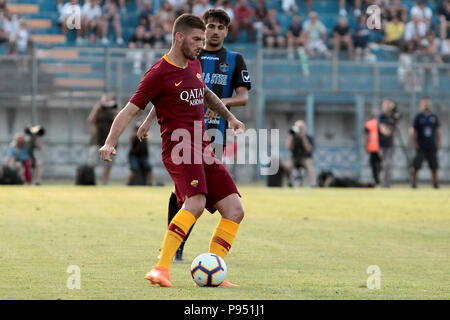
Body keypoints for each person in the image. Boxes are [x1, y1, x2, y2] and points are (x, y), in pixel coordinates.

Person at [98, 13, 246, 287]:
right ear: (179, 38)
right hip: (179, 147)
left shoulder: (194, 63)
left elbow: (203, 93)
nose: (201, 44)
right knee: (197, 202)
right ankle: (161, 268)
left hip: (203, 147)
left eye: (203, 39)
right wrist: (110, 142)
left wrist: (230, 117)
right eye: (196, 39)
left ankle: (214, 269)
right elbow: (129, 109)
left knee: (235, 209)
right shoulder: (157, 73)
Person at [137, 8, 251, 263]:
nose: (214, 32)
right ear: (202, 29)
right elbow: (168, 92)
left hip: (214, 134)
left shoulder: (233, 59)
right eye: (210, 27)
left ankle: (207, 260)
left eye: (221, 27)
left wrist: (224, 111)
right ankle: (174, 251)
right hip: (183, 136)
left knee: (212, 197)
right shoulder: (186, 59)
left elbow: (241, 96)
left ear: (226, 32)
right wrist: (147, 121)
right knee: (188, 194)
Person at [410, 97, 441, 189]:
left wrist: (438, 142)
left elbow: (437, 131)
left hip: (431, 145)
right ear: (421, 104)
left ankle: (435, 183)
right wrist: (414, 143)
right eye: (425, 103)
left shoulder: (434, 117)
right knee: (416, 166)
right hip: (421, 146)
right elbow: (412, 131)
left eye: (428, 103)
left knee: (434, 166)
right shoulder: (418, 117)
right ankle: (413, 183)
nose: (426, 105)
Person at [88, 93, 118, 185]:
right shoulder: (99, 110)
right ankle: (91, 181)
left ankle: (104, 183)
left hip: (110, 141)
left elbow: (119, 121)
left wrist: (114, 107)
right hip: (96, 140)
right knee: (92, 163)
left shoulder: (113, 110)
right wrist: (97, 107)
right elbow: (91, 120)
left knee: (108, 164)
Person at [283, 120, 315, 187]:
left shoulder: (309, 137)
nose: (299, 129)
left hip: (305, 158)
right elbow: (288, 147)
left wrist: (303, 137)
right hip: (294, 158)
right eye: (298, 127)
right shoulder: (293, 137)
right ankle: (289, 182)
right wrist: (291, 136)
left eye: (301, 127)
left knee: (309, 165)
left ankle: (313, 184)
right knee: (286, 166)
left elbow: (309, 149)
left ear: (305, 128)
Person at [378, 98, 397, 188]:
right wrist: (387, 132)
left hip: (390, 144)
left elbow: (397, 119)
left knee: (388, 164)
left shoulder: (393, 116)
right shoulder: (382, 116)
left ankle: (387, 184)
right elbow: (382, 129)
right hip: (382, 144)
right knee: (384, 165)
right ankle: (383, 183)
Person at [127, 119, 152, 185]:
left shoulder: (145, 135)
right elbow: (129, 141)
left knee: (149, 168)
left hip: (143, 155)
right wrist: (135, 133)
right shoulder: (133, 135)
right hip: (134, 155)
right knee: (133, 169)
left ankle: (149, 183)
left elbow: (148, 137)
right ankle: (127, 184)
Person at [364, 112, 381, 185]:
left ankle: (376, 179)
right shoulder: (379, 124)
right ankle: (379, 178)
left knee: (373, 165)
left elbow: (367, 136)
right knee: (380, 164)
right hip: (380, 147)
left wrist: (366, 146)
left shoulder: (368, 124)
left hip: (372, 147)